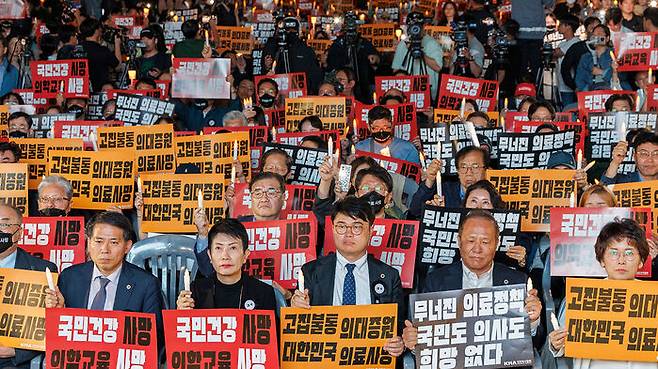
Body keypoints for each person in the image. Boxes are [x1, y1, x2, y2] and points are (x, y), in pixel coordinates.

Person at [402, 210, 543, 355]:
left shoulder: (517, 282)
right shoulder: (436, 281)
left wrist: (533, 321)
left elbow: (535, 345)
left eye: (485, 242)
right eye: (471, 240)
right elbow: (421, 342)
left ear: (497, 243)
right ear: (458, 241)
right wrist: (413, 340)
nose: (477, 249)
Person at [292, 196, 406, 358]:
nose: (349, 233)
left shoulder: (389, 275)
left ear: (371, 230)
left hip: (371, 360)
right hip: (325, 360)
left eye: (357, 227)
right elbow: (299, 330)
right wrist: (296, 307)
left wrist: (398, 343)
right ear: (332, 229)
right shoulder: (311, 271)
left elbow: (399, 325)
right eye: (341, 226)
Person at [44, 212, 164, 351]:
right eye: (98, 241)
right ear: (88, 243)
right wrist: (59, 312)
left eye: (114, 242)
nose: (105, 250)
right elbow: (55, 336)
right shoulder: (69, 277)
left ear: (127, 246)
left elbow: (156, 339)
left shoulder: (146, 284)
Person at [549, 218, 656, 369]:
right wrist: (555, 343)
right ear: (602, 260)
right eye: (613, 252)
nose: (621, 260)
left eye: (629, 253)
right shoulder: (583, 296)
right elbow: (564, 343)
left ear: (641, 261)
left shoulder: (654, 298)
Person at [0, 203, 57, 369]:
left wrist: (16, 351)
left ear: (20, 232)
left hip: (14, 361)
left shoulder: (42, 270)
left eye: (4, 224)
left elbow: (50, 327)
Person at [177, 219, 277, 311]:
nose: (225, 256)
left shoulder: (264, 293)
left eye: (233, 248)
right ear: (210, 255)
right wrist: (180, 314)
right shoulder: (195, 291)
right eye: (218, 248)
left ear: (245, 255)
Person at [408, 146, 490, 218]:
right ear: (457, 171)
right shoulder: (444, 191)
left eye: (475, 167)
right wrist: (429, 181)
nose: (469, 172)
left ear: (486, 169)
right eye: (463, 167)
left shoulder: (494, 194)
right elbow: (415, 210)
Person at [326, 12, 379, 102]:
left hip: (363, 83)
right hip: (343, 83)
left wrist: (374, 58)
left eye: (353, 31)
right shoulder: (337, 44)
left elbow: (376, 58)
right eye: (349, 31)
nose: (351, 34)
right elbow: (331, 64)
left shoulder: (364, 43)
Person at [261, 17, 323, 93]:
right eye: (287, 30)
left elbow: (314, 75)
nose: (290, 33)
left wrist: (309, 91)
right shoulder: (273, 47)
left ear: (299, 32)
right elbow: (264, 72)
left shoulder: (306, 50)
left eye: (293, 30)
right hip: (278, 91)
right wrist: (267, 67)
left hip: (300, 92)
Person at [391, 12, 443, 101]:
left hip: (427, 92)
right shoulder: (403, 44)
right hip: (406, 92)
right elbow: (395, 70)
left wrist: (421, 53)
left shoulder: (432, 43)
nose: (415, 29)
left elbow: (438, 67)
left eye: (418, 26)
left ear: (423, 26)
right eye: (412, 26)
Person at [354, 105, 420, 164]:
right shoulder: (361, 148)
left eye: (385, 127)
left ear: (391, 125)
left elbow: (414, 175)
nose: (381, 131)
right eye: (376, 128)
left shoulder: (407, 148)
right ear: (369, 127)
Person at [78, 18, 121, 92]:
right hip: (99, 92)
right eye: (100, 28)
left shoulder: (76, 49)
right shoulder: (102, 50)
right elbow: (118, 67)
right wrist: (117, 44)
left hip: (81, 91)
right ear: (96, 31)